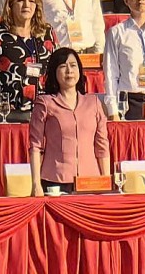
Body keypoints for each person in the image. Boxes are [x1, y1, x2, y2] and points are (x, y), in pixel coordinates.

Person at [29, 48, 110, 195]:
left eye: (73, 65)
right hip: (56, 182)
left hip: (90, 181)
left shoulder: (94, 103)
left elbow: (102, 146)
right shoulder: (45, 103)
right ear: (54, 72)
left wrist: (106, 182)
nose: (69, 71)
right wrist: (35, 184)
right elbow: (35, 147)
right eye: (62, 66)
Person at [0, 0, 56, 123]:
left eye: (32, 1)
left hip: (42, 114)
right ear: (11, 5)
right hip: (5, 114)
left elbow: (54, 73)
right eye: (20, 0)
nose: (27, 5)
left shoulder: (46, 33)